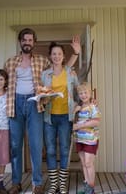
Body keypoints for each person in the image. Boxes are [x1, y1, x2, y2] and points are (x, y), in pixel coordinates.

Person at [0, 28, 80, 194]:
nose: (27, 43)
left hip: (35, 104)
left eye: (30, 40)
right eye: (25, 40)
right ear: (20, 42)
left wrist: (75, 55)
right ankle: (16, 183)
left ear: (34, 42)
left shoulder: (43, 61)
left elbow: (61, 68)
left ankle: (37, 183)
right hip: (14, 103)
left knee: (36, 145)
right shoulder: (10, 62)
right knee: (15, 145)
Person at [41, 42, 79, 194]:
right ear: (50, 56)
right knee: (50, 150)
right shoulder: (45, 74)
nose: (56, 56)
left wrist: (85, 103)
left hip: (65, 116)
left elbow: (78, 91)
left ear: (63, 57)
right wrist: (43, 98)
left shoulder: (70, 72)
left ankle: (62, 184)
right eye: (54, 54)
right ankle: (53, 184)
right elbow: (41, 94)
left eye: (59, 54)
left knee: (64, 149)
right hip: (49, 117)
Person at [73, 82, 101, 194]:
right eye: (81, 93)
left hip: (90, 140)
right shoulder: (78, 108)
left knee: (89, 163)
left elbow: (96, 121)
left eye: (85, 92)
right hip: (79, 139)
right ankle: (87, 186)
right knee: (84, 163)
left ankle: (91, 188)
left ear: (90, 93)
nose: (83, 95)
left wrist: (79, 126)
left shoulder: (93, 107)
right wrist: (75, 111)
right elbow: (72, 121)